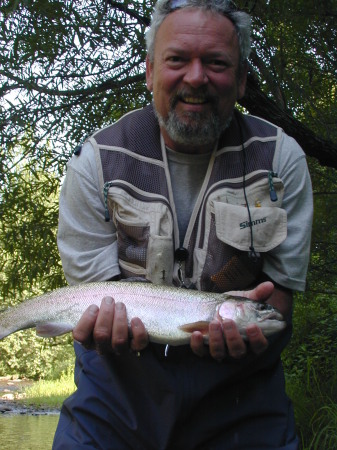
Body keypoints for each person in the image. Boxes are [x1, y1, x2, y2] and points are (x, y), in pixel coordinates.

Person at [53, 0, 313, 448]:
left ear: (242, 79)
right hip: (115, 396)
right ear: (151, 69)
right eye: (178, 60)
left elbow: (282, 298)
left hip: (243, 400)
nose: (196, 77)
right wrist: (105, 327)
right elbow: (90, 293)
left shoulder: (280, 160)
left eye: (216, 62)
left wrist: (262, 322)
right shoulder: (94, 163)